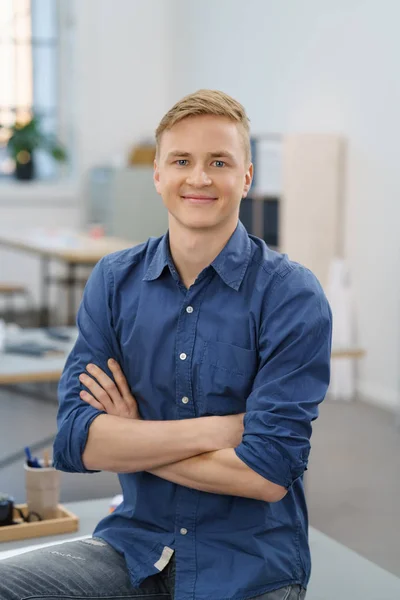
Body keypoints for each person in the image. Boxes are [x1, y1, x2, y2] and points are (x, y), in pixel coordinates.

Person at [0, 90, 332, 600]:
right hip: (132, 545)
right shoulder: (113, 281)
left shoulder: (292, 294)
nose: (198, 177)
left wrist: (131, 439)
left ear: (245, 177)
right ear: (158, 174)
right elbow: (76, 439)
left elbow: (267, 474)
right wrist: (217, 432)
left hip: (248, 567)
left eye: (219, 162)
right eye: (182, 160)